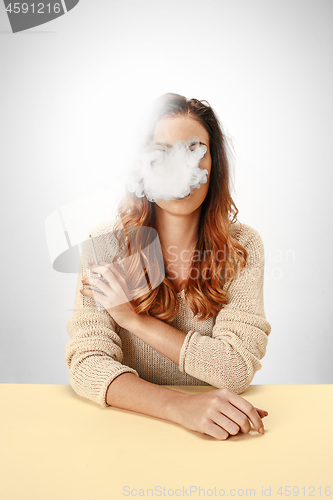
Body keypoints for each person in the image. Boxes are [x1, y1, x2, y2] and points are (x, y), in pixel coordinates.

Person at [65, 92, 271, 440]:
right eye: (161, 153)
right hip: (124, 434)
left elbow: (235, 369)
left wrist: (134, 320)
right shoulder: (106, 245)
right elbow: (87, 364)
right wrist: (179, 407)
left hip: (218, 437)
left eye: (194, 150)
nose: (181, 167)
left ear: (213, 165)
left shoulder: (242, 247)